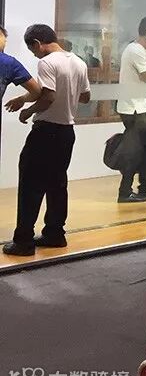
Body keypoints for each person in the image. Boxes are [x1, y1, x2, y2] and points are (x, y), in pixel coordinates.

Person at [3, 24, 91, 255]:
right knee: (57, 184)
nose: (34, 55)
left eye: (32, 50)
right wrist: (67, 94)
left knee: (30, 184)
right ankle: (55, 233)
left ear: (37, 43)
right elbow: (85, 97)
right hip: (67, 132)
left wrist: (28, 111)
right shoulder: (79, 62)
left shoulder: (47, 62)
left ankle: (23, 241)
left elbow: (48, 97)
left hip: (45, 131)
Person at [116, 16, 146, 204]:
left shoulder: (137, 49)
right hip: (135, 109)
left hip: (140, 107)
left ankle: (145, 187)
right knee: (135, 151)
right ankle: (125, 191)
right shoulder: (136, 50)